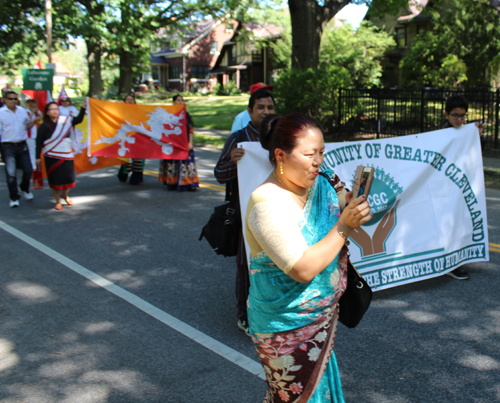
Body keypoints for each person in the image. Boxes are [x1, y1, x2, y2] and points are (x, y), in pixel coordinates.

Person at [245, 112, 372, 402]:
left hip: (321, 316)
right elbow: (302, 269)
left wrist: (356, 208)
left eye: (322, 153)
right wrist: (345, 226)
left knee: (318, 393)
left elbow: (345, 204)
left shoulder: (323, 182)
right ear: (281, 155)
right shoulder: (266, 202)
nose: (318, 161)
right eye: (309, 154)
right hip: (284, 326)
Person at [214, 89, 275, 335]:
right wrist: (232, 159)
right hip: (246, 213)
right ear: (250, 111)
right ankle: (245, 314)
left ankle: (271, 310)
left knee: (275, 261)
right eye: (261, 107)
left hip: (276, 211)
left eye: (270, 107)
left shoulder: (281, 137)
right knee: (247, 261)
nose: (266, 112)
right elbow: (219, 174)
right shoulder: (239, 138)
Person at [443, 95, 484, 280]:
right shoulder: (439, 135)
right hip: (444, 189)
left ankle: (455, 261)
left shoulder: (468, 132)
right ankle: (451, 263)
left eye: (462, 116)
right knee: (447, 224)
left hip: (461, 187)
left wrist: (476, 136)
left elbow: (473, 154)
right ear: (446, 115)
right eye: (455, 115)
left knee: (459, 223)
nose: (459, 120)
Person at [36, 101, 85, 210]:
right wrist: (37, 157)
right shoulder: (44, 126)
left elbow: (79, 120)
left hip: (66, 153)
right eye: (51, 109)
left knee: (70, 177)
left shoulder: (66, 121)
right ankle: (58, 200)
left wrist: (82, 108)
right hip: (51, 155)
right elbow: (39, 142)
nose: (54, 111)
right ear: (47, 112)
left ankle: (65, 195)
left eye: (56, 109)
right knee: (55, 178)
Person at [0, 91, 36, 207]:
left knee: (28, 169)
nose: (13, 101)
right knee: (11, 173)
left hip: (22, 144)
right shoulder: (1, 113)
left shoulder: (22, 111)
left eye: (15, 99)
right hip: (8, 146)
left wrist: (34, 120)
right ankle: (14, 197)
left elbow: (26, 126)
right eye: (10, 99)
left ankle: (24, 188)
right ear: (5, 100)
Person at [158, 94, 199, 190]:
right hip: (172, 144)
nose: (180, 102)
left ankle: (190, 183)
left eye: (182, 100)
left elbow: (190, 130)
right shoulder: (168, 116)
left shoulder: (186, 116)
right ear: (173, 102)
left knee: (188, 163)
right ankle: (172, 182)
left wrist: (190, 143)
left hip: (185, 143)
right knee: (172, 164)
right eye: (178, 100)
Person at [117, 94, 145, 185]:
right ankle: (123, 175)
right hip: (125, 137)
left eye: (131, 99)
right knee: (127, 157)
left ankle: (137, 178)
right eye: (127, 100)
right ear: (124, 102)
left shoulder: (139, 112)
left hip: (137, 137)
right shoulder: (119, 112)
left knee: (138, 158)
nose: (129, 101)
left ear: (134, 101)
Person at [26, 99, 43, 170]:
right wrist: (32, 113)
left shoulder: (38, 112)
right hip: (29, 134)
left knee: (38, 149)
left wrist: (38, 114)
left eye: (32, 102)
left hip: (38, 133)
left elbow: (41, 119)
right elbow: (27, 121)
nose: (30, 104)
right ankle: (33, 166)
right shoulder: (25, 111)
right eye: (29, 102)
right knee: (31, 150)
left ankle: (38, 164)